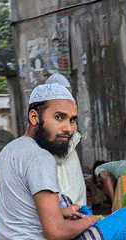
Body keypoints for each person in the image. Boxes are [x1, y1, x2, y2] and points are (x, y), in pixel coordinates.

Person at [0, 83, 126, 240]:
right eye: (59, 117)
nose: (69, 128)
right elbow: (55, 232)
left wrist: (61, 212)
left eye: (72, 120)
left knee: (64, 202)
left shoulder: (8, 151)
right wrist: (91, 221)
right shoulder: (40, 157)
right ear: (34, 117)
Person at [45, 73, 87, 206]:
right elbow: (59, 156)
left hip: (73, 178)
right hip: (60, 183)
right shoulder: (46, 121)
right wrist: (74, 137)